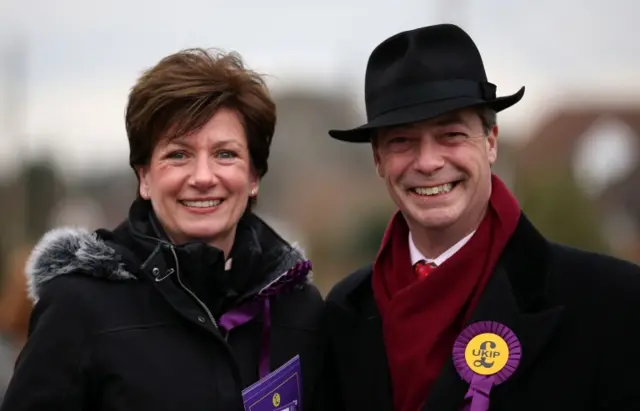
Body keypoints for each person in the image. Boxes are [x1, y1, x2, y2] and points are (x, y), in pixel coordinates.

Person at [316, 24, 640, 411]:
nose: (429, 162)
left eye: (451, 135)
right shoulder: (343, 313)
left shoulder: (613, 302)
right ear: (378, 160)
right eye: (402, 141)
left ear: (490, 142)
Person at [1, 48, 324, 411]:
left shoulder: (298, 309)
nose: (203, 177)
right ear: (145, 178)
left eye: (225, 154)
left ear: (253, 177)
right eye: (178, 155)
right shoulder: (78, 307)